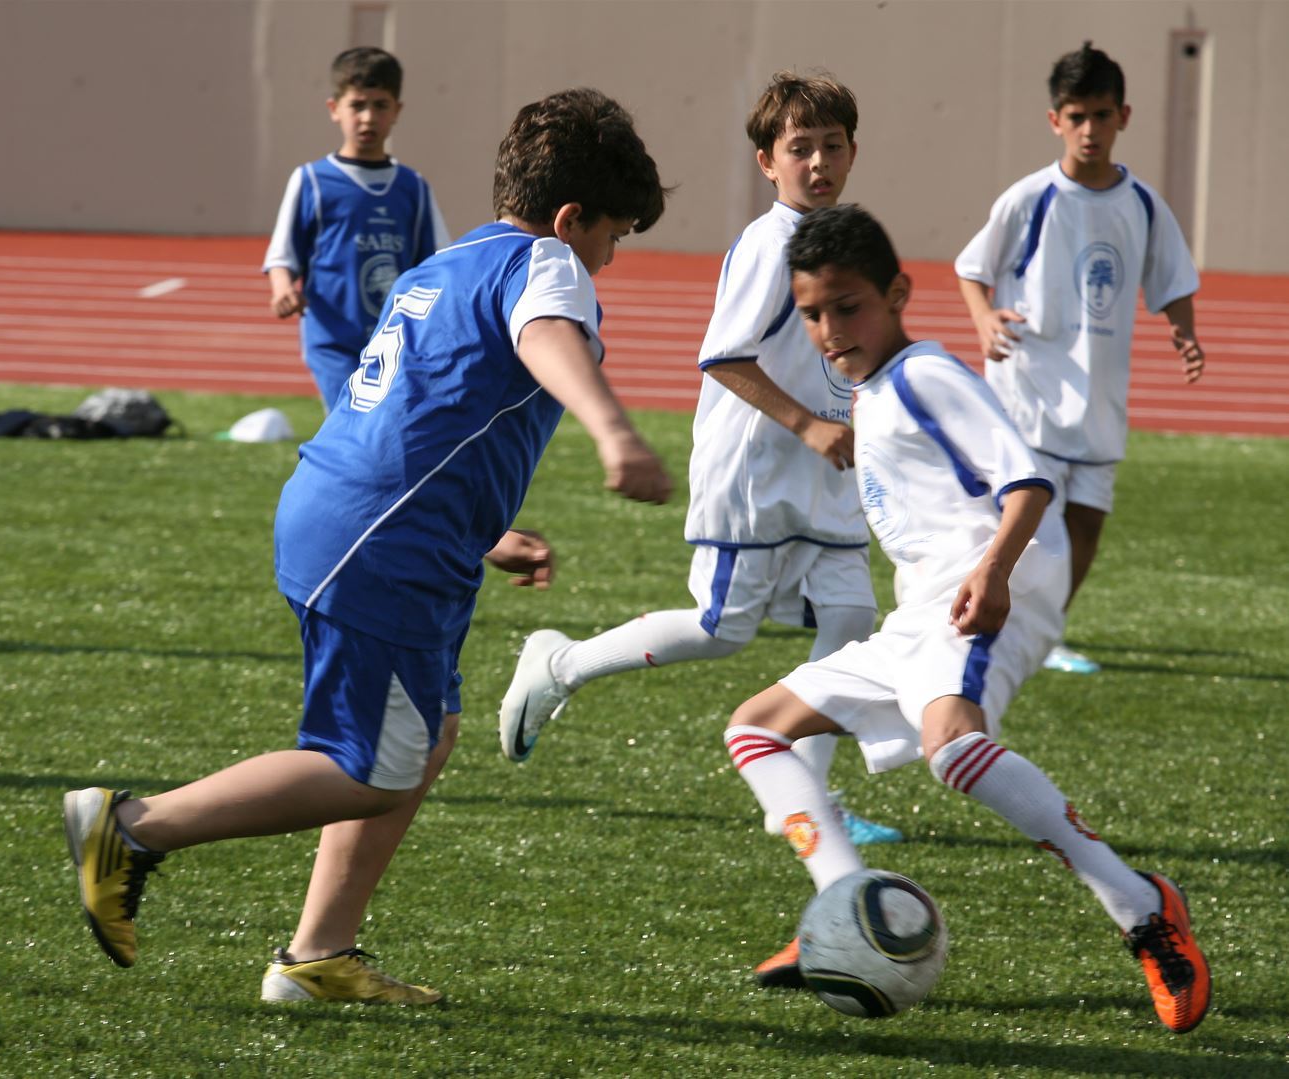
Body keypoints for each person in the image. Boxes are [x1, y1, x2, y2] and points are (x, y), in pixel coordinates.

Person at [64, 87, 674, 1005]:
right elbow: (547, 335)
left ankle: (317, 956)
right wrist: (614, 432)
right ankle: (134, 826)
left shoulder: (449, 261)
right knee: (370, 767)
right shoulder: (546, 261)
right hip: (383, 540)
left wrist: (482, 531)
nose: (609, 257)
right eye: (612, 235)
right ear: (568, 217)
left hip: (367, 516)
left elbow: (423, 407)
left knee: (427, 736)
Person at [722, 204, 1208, 1034]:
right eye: (811, 313)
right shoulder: (873, 389)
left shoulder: (924, 375)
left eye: (847, 306)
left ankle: (1142, 907)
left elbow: (1026, 481)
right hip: (923, 610)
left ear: (897, 294)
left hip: (993, 583)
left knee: (951, 746)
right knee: (755, 729)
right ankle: (844, 899)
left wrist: (992, 570)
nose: (829, 329)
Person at [497, 72, 900, 938]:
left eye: (831, 145)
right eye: (799, 148)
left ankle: (808, 798)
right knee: (722, 629)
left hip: (822, 474)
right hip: (754, 475)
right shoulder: (768, 243)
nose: (818, 162)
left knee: (851, 621)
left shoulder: (842, 240)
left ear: (853, 152)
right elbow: (723, 358)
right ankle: (560, 663)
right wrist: (808, 424)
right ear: (766, 162)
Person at [955, 41, 1204, 675]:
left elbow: (1172, 277)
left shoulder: (1142, 204)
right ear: (1055, 120)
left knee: (1087, 526)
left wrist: (1184, 330)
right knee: (1032, 525)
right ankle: (999, 618)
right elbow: (973, 268)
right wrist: (984, 318)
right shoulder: (1030, 198)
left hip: (1098, 398)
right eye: (1076, 116)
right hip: (1031, 391)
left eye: (1100, 114)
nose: (1089, 129)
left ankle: (1045, 631)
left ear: (1124, 116)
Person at [263, 47, 451, 410]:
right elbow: (283, 256)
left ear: (397, 111)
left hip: (395, 341)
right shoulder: (312, 181)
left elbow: (437, 264)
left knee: (389, 430)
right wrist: (282, 289)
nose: (368, 117)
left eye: (380, 106)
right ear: (335, 109)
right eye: (357, 105)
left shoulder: (413, 187)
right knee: (348, 425)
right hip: (332, 340)